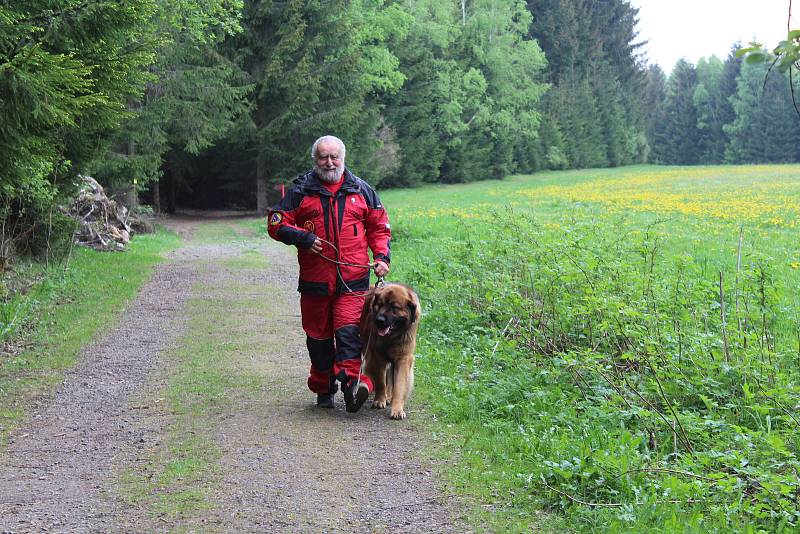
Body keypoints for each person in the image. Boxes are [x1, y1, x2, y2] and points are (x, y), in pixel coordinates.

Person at [267, 135, 391, 412]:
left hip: (353, 282)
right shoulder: (300, 190)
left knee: (349, 336)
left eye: (334, 156)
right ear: (315, 160)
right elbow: (276, 224)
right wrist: (303, 238)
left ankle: (353, 387)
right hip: (315, 284)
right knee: (318, 341)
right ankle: (323, 388)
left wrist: (381, 257)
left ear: (343, 158)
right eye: (323, 157)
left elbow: (379, 227)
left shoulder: (362, 190)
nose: (329, 162)